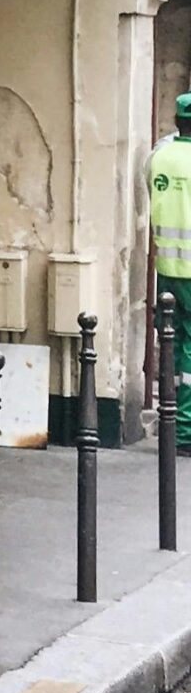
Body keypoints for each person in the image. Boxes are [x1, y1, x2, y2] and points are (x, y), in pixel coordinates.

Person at [149, 94, 191, 446]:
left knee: (170, 342)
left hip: (166, 267)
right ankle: (186, 428)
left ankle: (171, 418)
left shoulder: (159, 156)